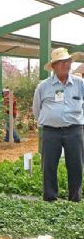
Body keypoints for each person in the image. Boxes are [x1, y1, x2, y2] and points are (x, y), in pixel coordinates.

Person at [33, 47, 84, 202]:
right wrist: (47, 121)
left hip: (75, 130)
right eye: (60, 62)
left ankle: (75, 199)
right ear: (53, 66)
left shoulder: (79, 83)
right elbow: (37, 109)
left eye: (67, 61)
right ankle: (50, 199)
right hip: (51, 132)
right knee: (49, 166)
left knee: (76, 165)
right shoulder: (43, 86)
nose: (65, 64)